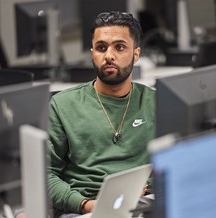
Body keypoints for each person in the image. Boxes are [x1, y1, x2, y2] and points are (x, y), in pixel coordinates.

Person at [47, 11, 155, 217]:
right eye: (101, 47)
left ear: (136, 53)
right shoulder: (63, 104)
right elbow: (45, 174)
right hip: (83, 210)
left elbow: (173, 160)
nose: (109, 56)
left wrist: (147, 186)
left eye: (120, 47)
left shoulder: (155, 101)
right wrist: (86, 204)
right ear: (92, 52)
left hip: (140, 204)